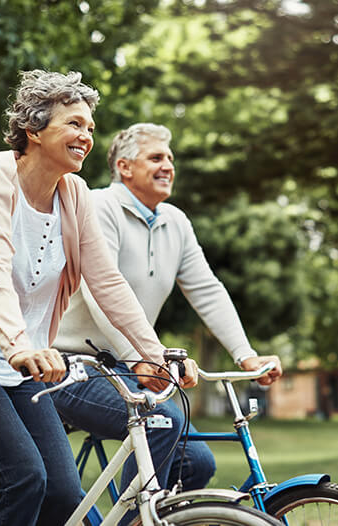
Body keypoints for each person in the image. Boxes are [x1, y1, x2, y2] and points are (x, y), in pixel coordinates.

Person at [0, 75, 197, 526]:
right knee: (23, 479)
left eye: (90, 127)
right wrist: (19, 345)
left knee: (63, 495)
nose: (86, 137)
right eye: (74, 124)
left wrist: (155, 355)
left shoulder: (74, 195)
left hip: (21, 370)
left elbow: (107, 282)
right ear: (34, 130)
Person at [51, 122, 283, 521]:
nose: (168, 166)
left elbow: (207, 290)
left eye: (170, 159)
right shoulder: (99, 207)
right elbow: (99, 289)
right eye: (156, 158)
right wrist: (141, 357)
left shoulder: (175, 222)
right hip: (70, 364)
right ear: (124, 166)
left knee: (196, 462)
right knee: (160, 422)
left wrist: (245, 355)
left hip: (129, 365)